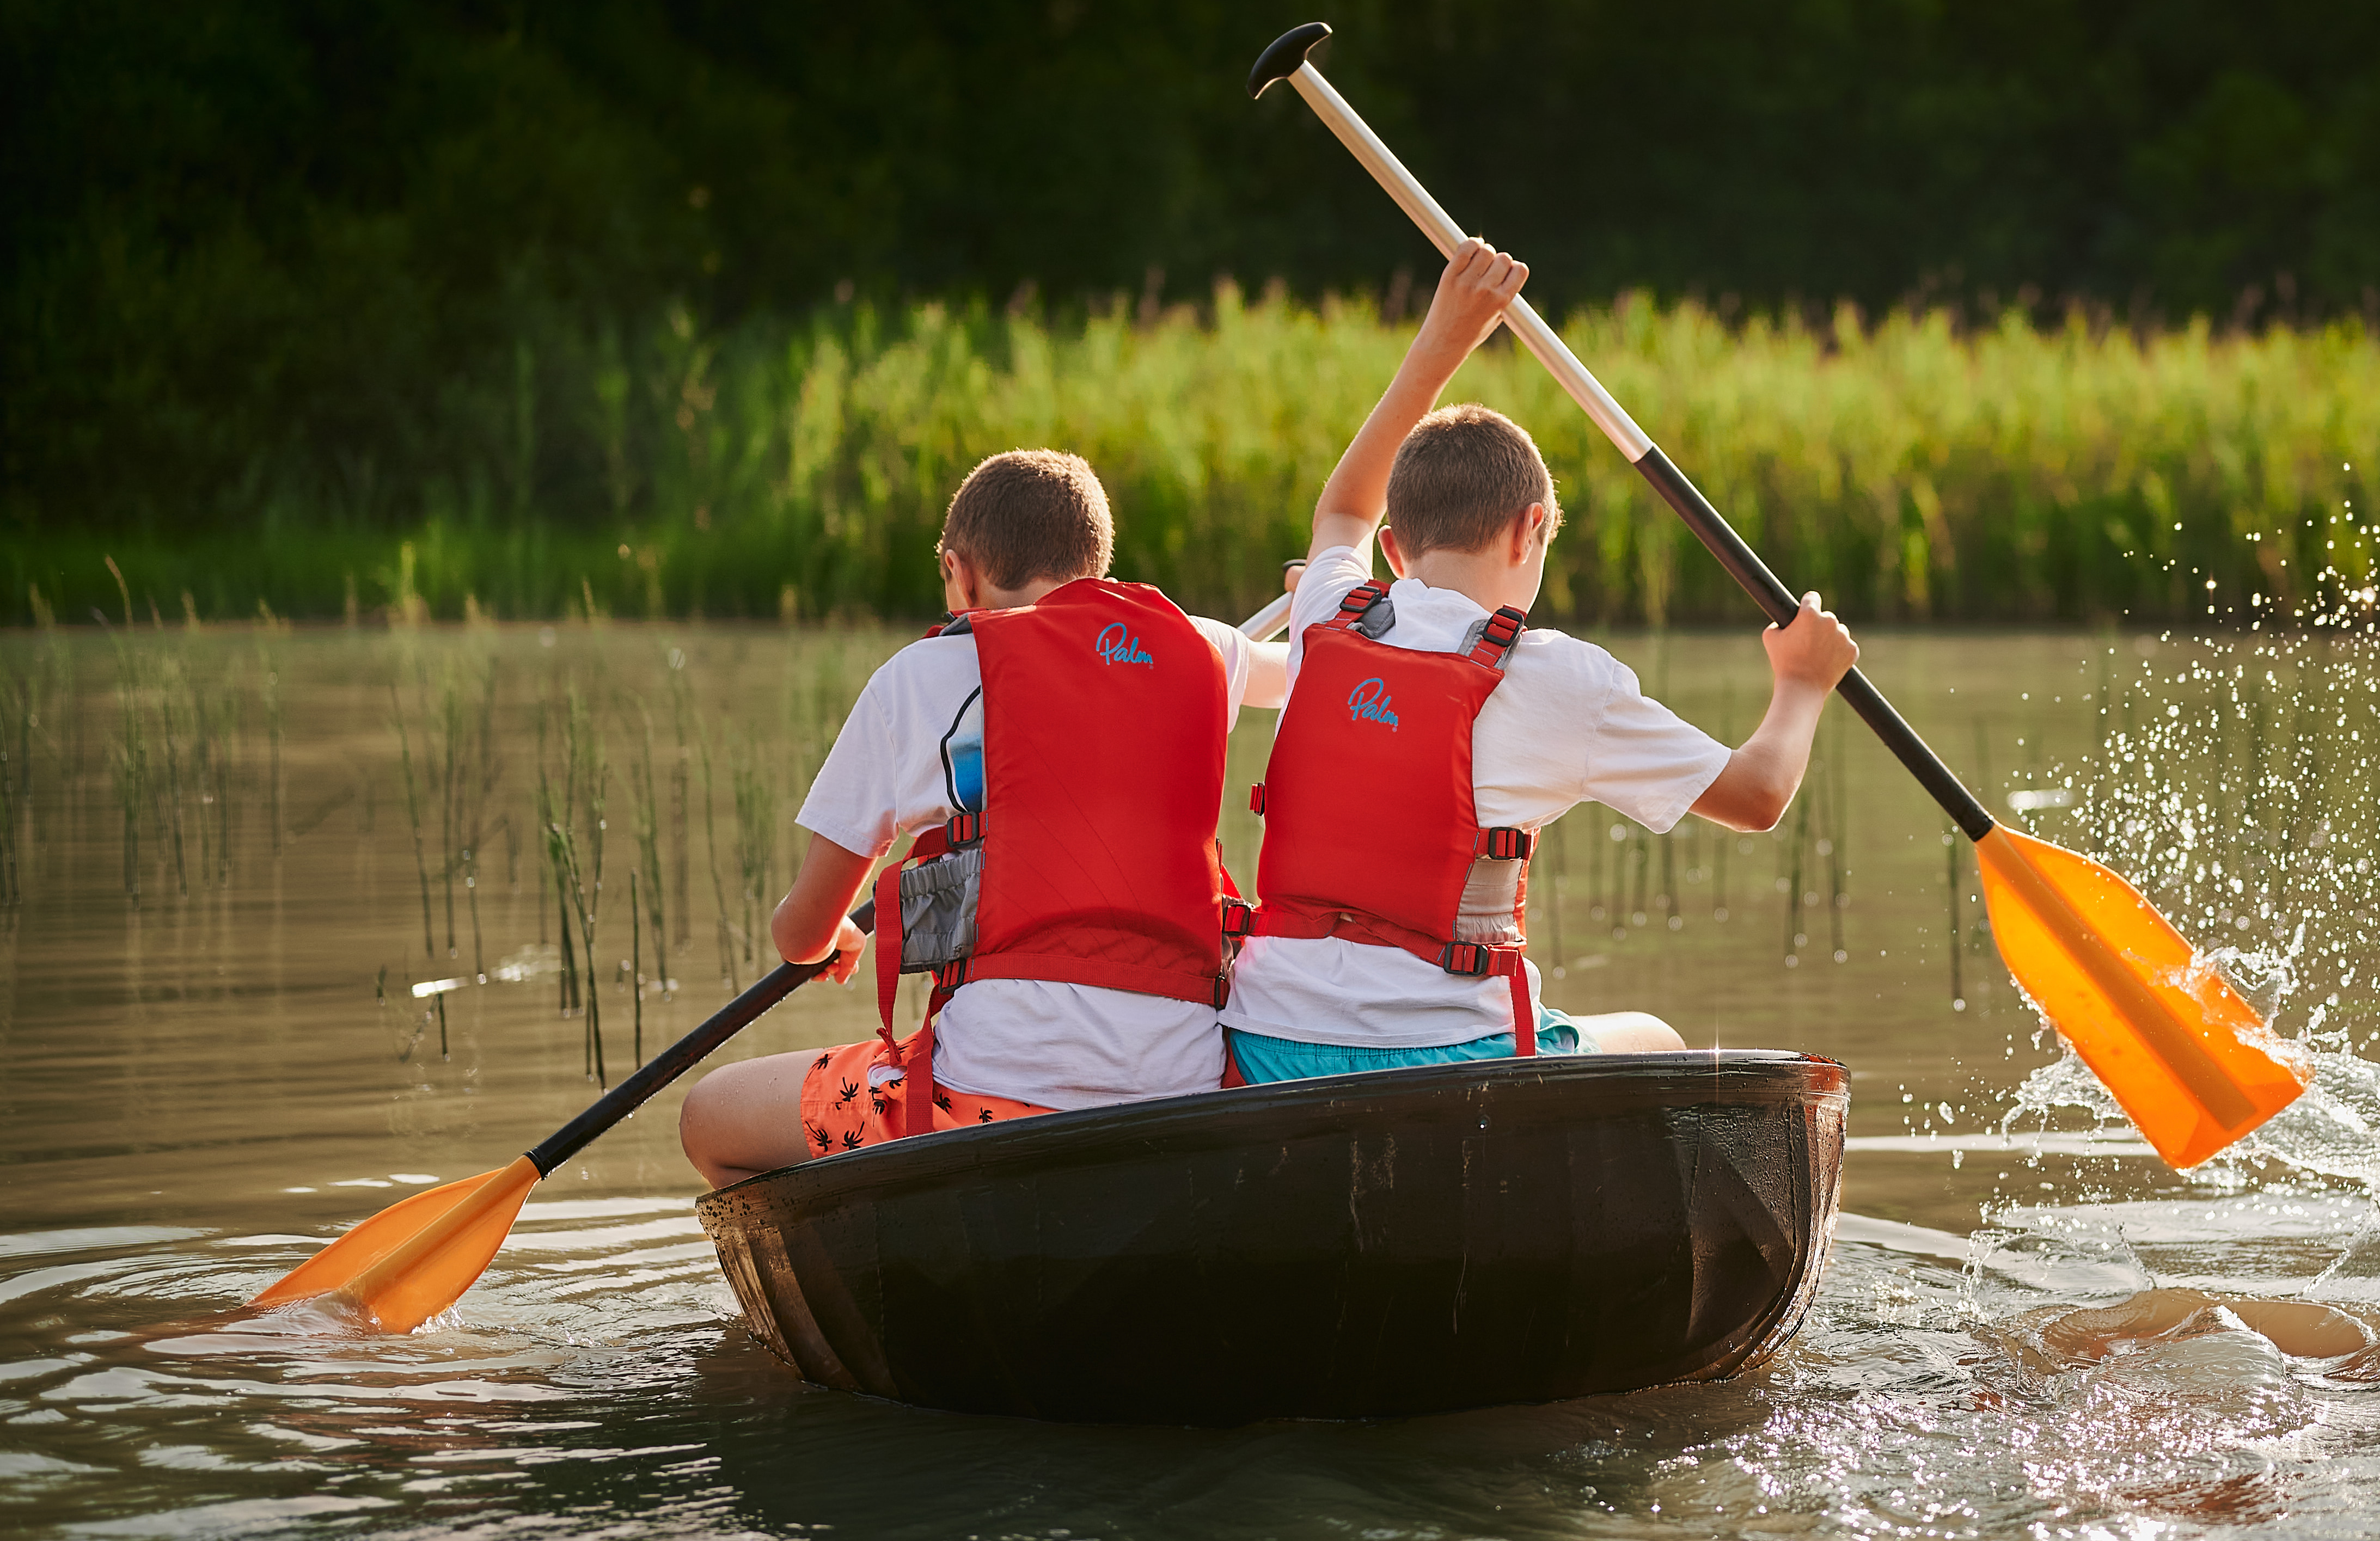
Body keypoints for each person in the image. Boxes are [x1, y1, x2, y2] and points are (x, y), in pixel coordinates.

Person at [1217, 240, 1858, 1080]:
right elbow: (1758, 795)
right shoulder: (1558, 675)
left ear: (1394, 550)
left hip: (1267, 1049)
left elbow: (1340, 509)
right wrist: (1802, 684)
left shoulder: (1329, 614)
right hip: (1450, 1063)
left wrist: (1442, 339)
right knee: (1655, 1038)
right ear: (1530, 529)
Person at [680, 449, 1290, 1187]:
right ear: (1096, 568)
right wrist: (1317, 584)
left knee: (709, 1121)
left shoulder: (913, 679)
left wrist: (831, 937)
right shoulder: (1204, 647)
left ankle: (860, 1272)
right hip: (1184, 1088)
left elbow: (800, 934)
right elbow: (1301, 668)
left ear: (957, 571)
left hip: (985, 1100)